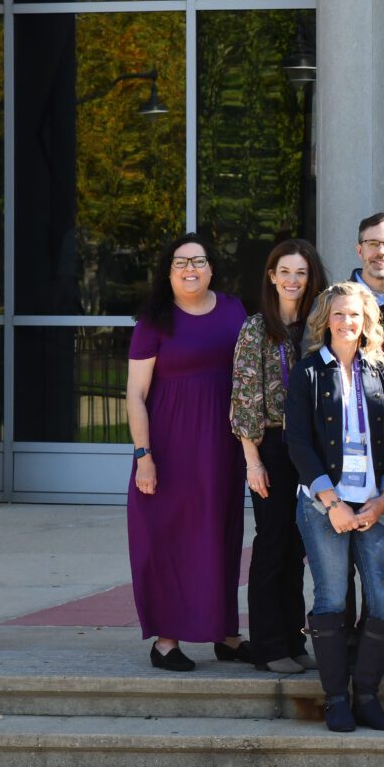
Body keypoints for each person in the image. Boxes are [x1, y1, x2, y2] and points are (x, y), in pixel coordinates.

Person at [285, 281, 384, 732]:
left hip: (375, 504)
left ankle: (368, 697)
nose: (346, 322)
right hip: (324, 507)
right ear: (325, 319)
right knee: (332, 599)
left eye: (355, 314)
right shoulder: (309, 372)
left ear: (366, 320)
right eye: (338, 314)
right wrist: (331, 501)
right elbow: (297, 442)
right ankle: (336, 698)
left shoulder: (380, 369)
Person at [128, 233, 250, 672]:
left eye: (198, 261)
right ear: (169, 271)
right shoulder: (154, 320)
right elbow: (136, 395)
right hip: (170, 448)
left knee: (221, 535)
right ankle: (166, 641)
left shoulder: (235, 310)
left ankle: (227, 634)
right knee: (170, 539)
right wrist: (144, 455)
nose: (190, 269)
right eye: (180, 262)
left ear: (212, 268)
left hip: (223, 445)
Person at [230, 238, 328, 673]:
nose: (292, 280)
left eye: (301, 273)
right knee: (271, 544)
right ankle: (269, 646)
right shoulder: (256, 328)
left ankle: (294, 639)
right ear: (272, 276)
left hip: (312, 446)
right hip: (270, 444)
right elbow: (244, 398)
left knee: (298, 547)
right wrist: (253, 461)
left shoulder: (318, 327)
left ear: (312, 279)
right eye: (284, 272)